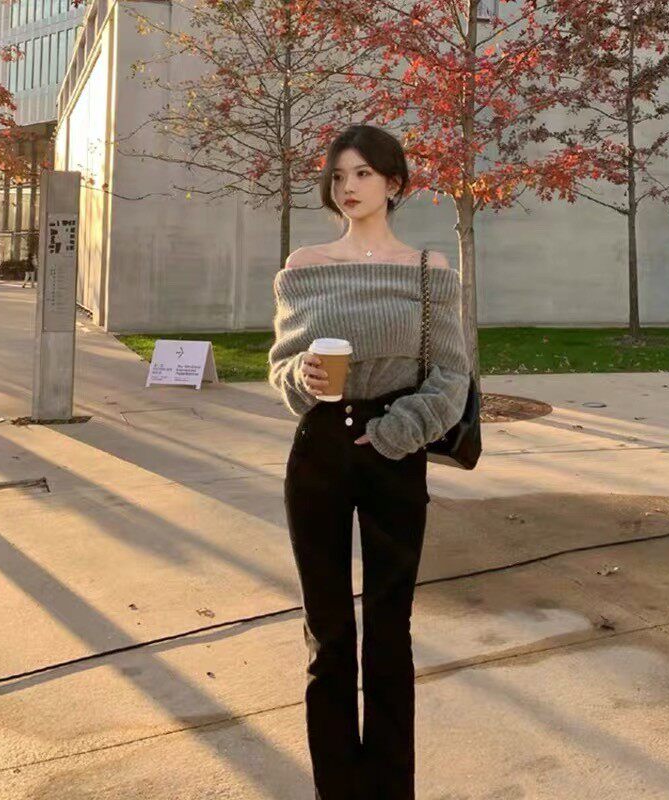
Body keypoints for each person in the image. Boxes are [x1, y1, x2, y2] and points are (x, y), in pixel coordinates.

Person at [267, 123, 470, 800]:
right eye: (338, 175)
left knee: (389, 630)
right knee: (328, 637)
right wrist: (302, 377)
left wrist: (398, 431)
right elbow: (282, 367)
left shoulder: (429, 270)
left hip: (394, 452)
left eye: (362, 174)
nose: (347, 187)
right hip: (319, 451)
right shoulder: (304, 266)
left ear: (394, 183)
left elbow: (452, 375)